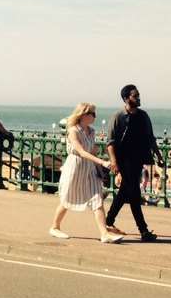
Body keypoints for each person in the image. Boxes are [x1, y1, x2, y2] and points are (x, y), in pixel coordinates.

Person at [49, 102, 121, 243]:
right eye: (92, 114)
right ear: (83, 114)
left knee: (97, 199)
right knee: (67, 199)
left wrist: (99, 170)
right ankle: (55, 227)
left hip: (89, 169)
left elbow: (92, 151)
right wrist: (102, 162)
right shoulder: (73, 131)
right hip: (74, 167)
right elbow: (81, 152)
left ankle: (104, 234)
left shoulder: (92, 131)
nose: (95, 116)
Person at [106, 84, 162, 242]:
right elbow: (110, 142)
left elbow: (151, 138)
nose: (138, 98)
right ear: (126, 98)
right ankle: (143, 230)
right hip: (123, 160)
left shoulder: (144, 116)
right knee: (134, 194)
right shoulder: (118, 117)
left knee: (125, 191)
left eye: (138, 95)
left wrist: (159, 156)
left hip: (138, 159)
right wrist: (114, 161)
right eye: (135, 96)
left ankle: (108, 221)